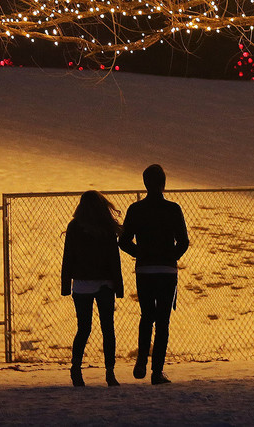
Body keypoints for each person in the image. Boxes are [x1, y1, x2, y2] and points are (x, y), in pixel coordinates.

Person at [118, 163, 189, 385]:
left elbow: (123, 240)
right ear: (163, 183)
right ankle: (157, 371)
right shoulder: (173, 209)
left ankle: (141, 359)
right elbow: (184, 241)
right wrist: (172, 256)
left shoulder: (136, 210)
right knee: (163, 321)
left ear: (145, 183)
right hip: (166, 271)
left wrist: (140, 253)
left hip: (145, 270)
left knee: (147, 315)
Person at [60, 190, 124, 387]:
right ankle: (110, 372)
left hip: (81, 283)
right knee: (108, 328)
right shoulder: (106, 227)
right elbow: (114, 259)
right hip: (105, 283)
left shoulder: (74, 226)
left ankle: (76, 368)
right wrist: (119, 285)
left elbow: (68, 257)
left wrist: (65, 285)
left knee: (84, 328)